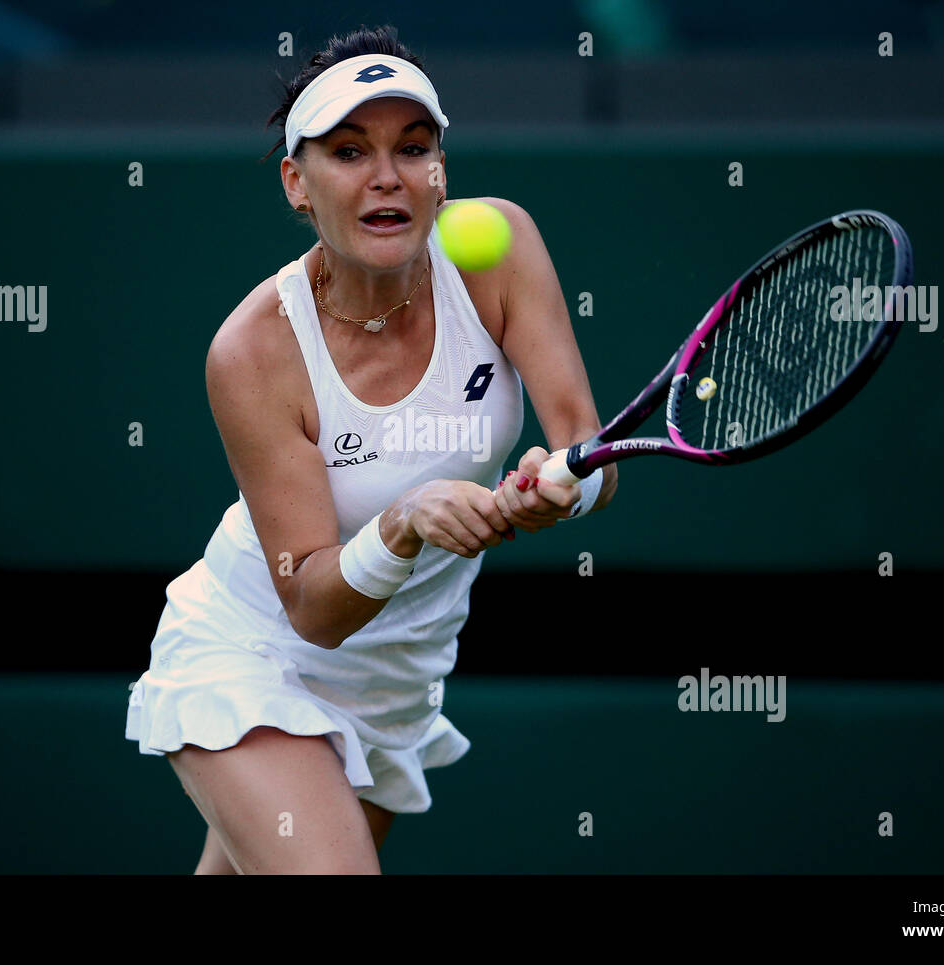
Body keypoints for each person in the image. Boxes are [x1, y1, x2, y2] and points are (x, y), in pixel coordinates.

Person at [125, 25, 617, 874]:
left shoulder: (499, 248)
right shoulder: (253, 351)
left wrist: (561, 486)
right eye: (349, 151)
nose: (387, 175)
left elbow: (589, 450)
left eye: (412, 147)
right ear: (296, 183)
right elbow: (312, 608)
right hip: (254, 651)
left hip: (397, 679)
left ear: (439, 174)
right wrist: (405, 521)